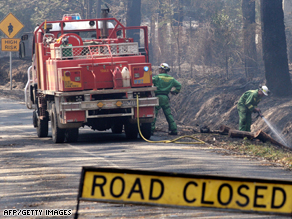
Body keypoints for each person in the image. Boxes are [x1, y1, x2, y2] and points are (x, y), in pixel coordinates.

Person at [151, 63, 181, 135]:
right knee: (168, 114)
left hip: (158, 97)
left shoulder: (157, 77)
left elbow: (148, 81)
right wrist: (174, 92)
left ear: (163, 70)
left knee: (154, 114)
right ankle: (174, 130)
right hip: (165, 98)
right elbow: (179, 85)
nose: (159, 70)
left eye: (160, 68)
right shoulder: (171, 79)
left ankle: (151, 130)